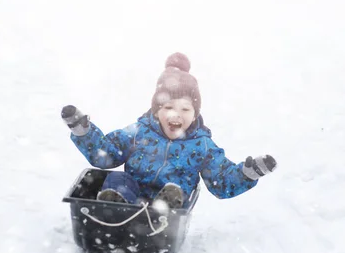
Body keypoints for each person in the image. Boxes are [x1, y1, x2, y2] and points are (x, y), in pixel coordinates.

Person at [61, 53, 277, 209]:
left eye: (185, 109)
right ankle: (112, 205)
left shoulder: (201, 145)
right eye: (169, 107)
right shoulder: (139, 132)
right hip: (131, 196)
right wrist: (84, 132)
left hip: (168, 211)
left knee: (176, 189)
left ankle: (165, 207)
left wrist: (247, 173)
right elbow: (106, 155)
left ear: (195, 114)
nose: (176, 114)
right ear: (157, 111)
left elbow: (221, 182)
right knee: (118, 180)